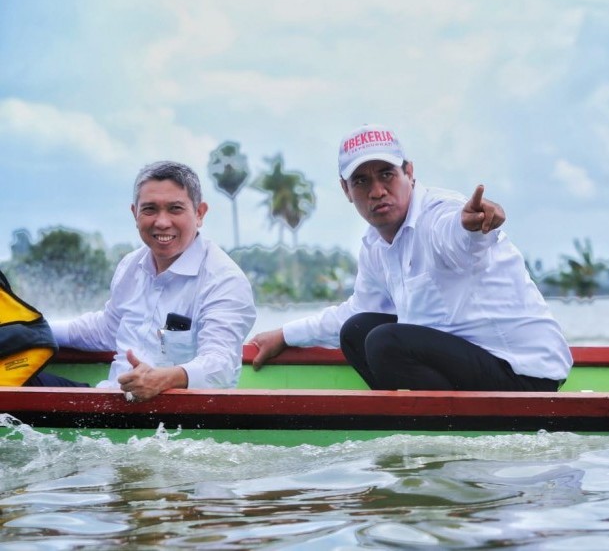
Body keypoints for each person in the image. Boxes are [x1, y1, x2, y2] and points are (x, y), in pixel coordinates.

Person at [250, 123, 572, 391]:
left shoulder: (439, 214)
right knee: (356, 331)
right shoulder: (375, 245)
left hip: (524, 373)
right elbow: (358, 309)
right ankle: (416, 426)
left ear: (410, 173)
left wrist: (472, 228)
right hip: (471, 365)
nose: (377, 191)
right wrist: (285, 335)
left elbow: (458, 239)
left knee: (385, 343)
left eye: (386, 175)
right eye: (361, 181)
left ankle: (438, 435)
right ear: (346, 191)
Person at [29, 161, 257, 401]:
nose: (161, 222)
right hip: (109, 402)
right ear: (134, 214)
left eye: (175, 209)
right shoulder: (131, 265)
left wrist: (163, 379)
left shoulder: (224, 280)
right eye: (149, 209)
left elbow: (220, 366)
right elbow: (106, 329)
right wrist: (28, 329)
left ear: (199, 213)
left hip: (177, 418)